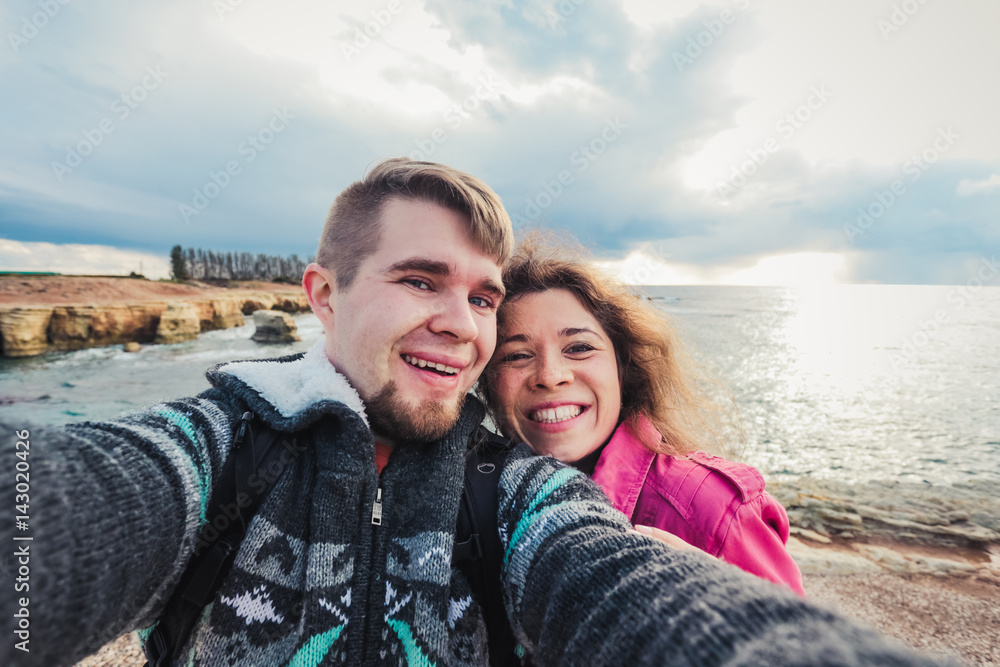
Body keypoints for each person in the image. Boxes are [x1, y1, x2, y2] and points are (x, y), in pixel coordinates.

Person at [2, 159, 953, 667]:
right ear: (322, 293)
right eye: (421, 280)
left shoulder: (514, 493)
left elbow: (627, 586)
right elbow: (68, 504)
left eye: (483, 296)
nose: (462, 327)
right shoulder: (213, 447)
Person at [480, 237, 805, 594]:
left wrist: (737, 609)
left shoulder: (712, 508)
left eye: (579, 348)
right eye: (516, 356)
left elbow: (808, 646)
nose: (550, 375)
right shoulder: (481, 500)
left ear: (624, 367)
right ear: (488, 384)